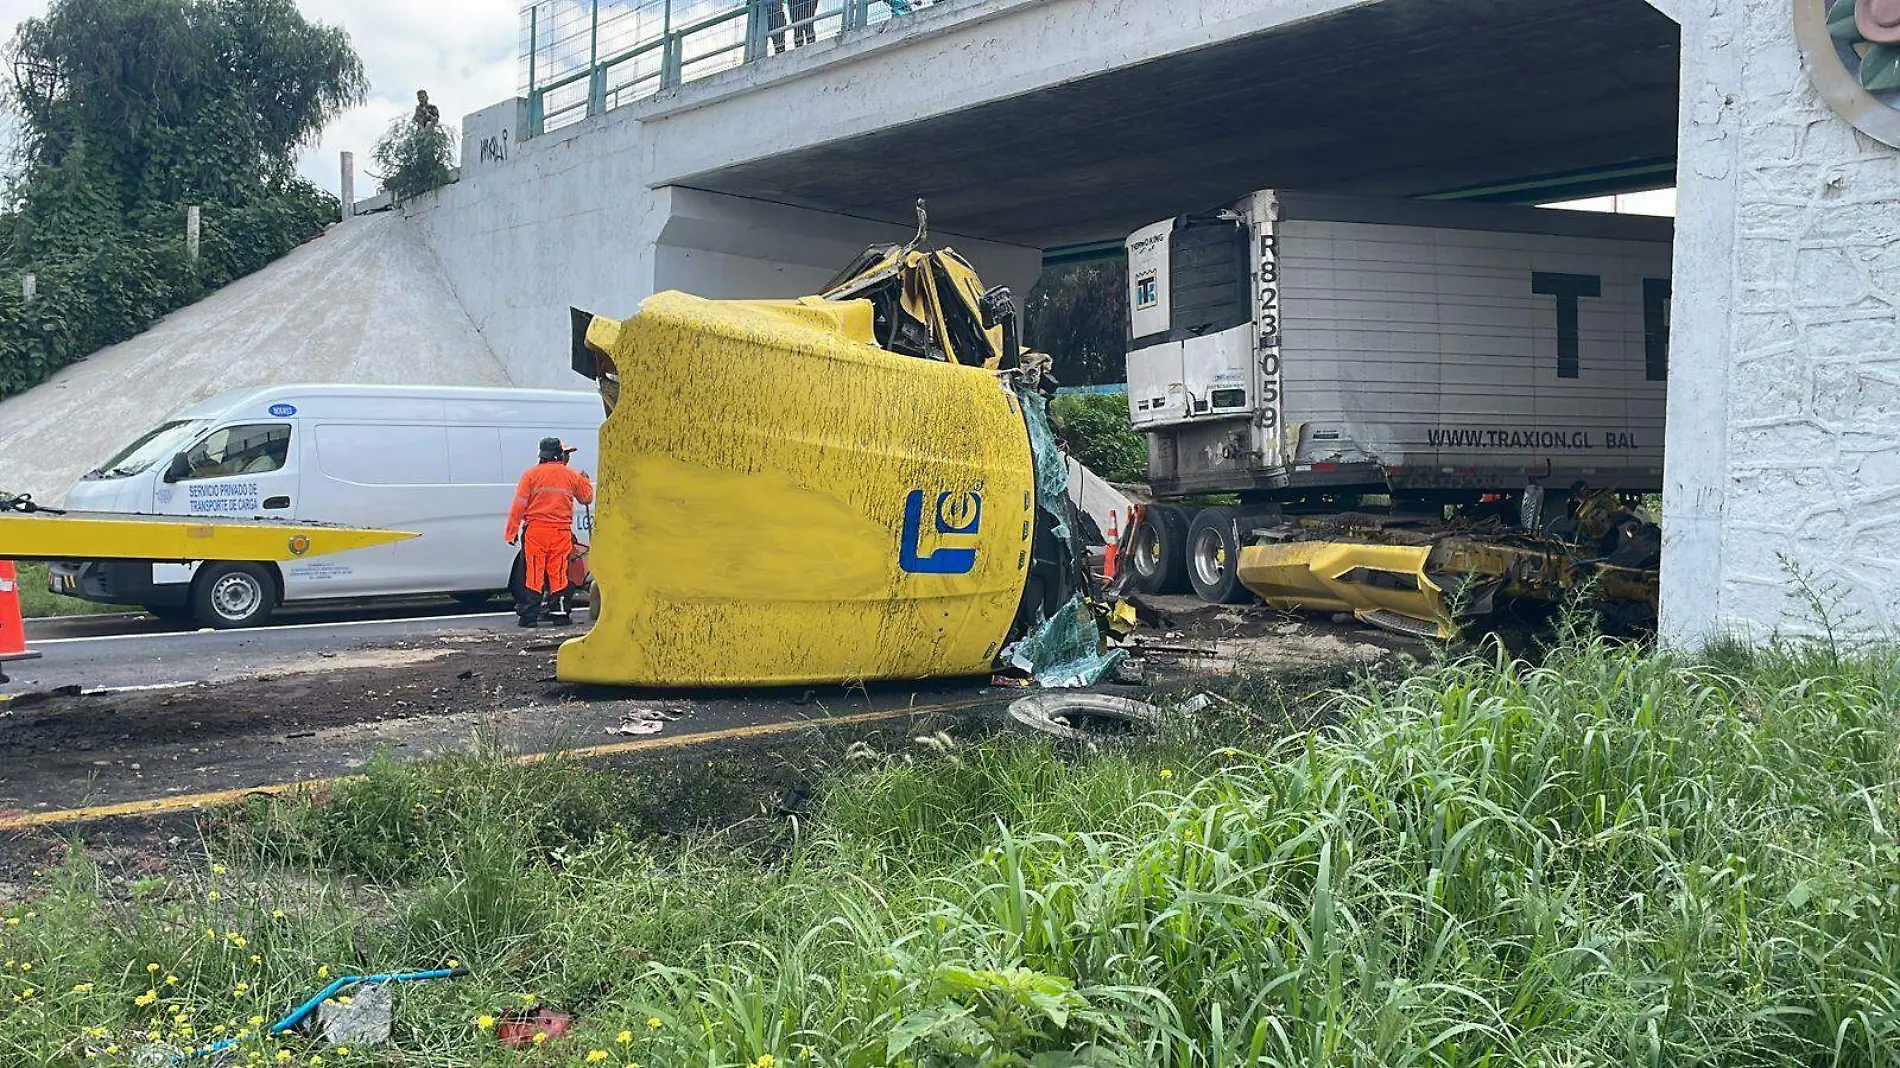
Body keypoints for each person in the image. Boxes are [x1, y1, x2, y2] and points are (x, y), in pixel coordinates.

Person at [505, 437, 594, 627]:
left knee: (534, 573)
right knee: (559, 572)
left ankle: (529, 616)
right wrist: (585, 481)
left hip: (536, 532)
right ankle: (560, 614)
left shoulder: (530, 475)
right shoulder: (571, 475)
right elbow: (586, 498)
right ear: (560, 454)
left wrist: (511, 532)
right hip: (560, 532)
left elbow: (518, 506)